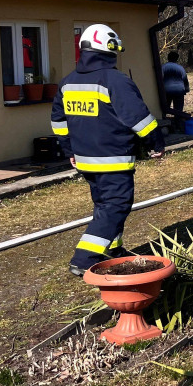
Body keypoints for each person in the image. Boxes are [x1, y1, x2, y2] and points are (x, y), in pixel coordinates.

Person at [50, 24, 164, 276]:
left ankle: (112, 248)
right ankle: (84, 258)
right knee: (116, 205)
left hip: (84, 160)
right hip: (113, 159)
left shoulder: (68, 82)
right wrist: (155, 142)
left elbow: (58, 122)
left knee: (104, 205)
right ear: (109, 49)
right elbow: (139, 119)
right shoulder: (116, 80)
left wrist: (69, 150)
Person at [161, 51, 190, 132]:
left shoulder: (163, 67)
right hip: (179, 90)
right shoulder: (180, 68)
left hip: (167, 90)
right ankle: (178, 126)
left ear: (168, 58)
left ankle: (165, 124)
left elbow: (160, 78)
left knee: (165, 108)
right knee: (178, 109)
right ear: (177, 59)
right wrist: (186, 89)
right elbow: (185, 79)